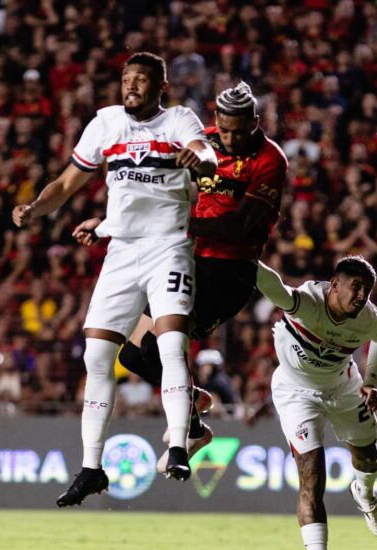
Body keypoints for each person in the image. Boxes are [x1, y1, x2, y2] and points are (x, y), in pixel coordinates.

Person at [13, 52, 218, 507]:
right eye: (127, 78)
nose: (133, 86)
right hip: (121, 251)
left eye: (143, 80)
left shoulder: (179, 120)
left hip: (169, 247)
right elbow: (66, 184)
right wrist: (33, 209)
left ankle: (180, 447)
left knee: (169, 345)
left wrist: (200, 158)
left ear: (160, 87)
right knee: (98, 354)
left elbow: (207, 156)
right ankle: (91, 468)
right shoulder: (105, 123)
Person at [73, 81, 288, 470]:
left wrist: (180, 226)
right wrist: (107, 224)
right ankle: (193, 409)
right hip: (183, 261)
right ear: (215, 121)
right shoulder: (199, 142)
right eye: (224, 129)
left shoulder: (270, 159)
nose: (230, 138)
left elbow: (241, 224)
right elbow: (147, 192)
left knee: (151, 351)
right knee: (130, 349)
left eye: (239, 130)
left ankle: (194, 421)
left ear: (255, 122)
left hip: (228, 271)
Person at [255, 255, 377, 550]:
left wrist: (372, 382)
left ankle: (365, 495)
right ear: (334, 285)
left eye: (367, 291)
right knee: (311, 476)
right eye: (356, 287)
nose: (361, 296)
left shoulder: (369, 318)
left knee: (368, 459)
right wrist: (244, 256)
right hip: (295, 392)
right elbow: (272, 286)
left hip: (345, 387)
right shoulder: (306, 303)